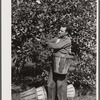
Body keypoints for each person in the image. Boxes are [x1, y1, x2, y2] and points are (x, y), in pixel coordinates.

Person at [46, 26, 75, 100]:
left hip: (62, 64)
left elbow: (56, 46)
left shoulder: (67, 40)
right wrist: (42, 41)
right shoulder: (58, 38)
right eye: (59, 30)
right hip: (55, 63)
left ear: (66, 33)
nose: (59, 32)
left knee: (61, 86)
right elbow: (49, 41)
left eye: (62, 31)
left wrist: (47, 44)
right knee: (50, 84)